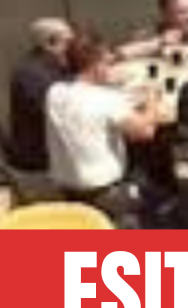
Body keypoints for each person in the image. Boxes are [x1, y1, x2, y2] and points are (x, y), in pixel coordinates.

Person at [45, 32, 163, 228]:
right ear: (96, 65)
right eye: (107, 62)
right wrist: (153, 101)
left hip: (67, 188)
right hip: (104, 193)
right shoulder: (106, 99)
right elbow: (145, 132)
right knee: (157, 197)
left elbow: (88, 107)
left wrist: (120, 95)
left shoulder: (54, 92)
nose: (110, 67)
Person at [4, 18, 73, 172]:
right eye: (68, 43)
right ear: (50, 44)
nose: (73, 48)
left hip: (47, 144)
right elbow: (60, 115)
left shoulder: (47, 65)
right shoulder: (32, 74)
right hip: (39, 154)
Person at [116, 0, 188, 59]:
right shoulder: (149, 36)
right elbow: (118, 54)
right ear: (165, 14)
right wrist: (160, 42)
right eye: (182, 12)